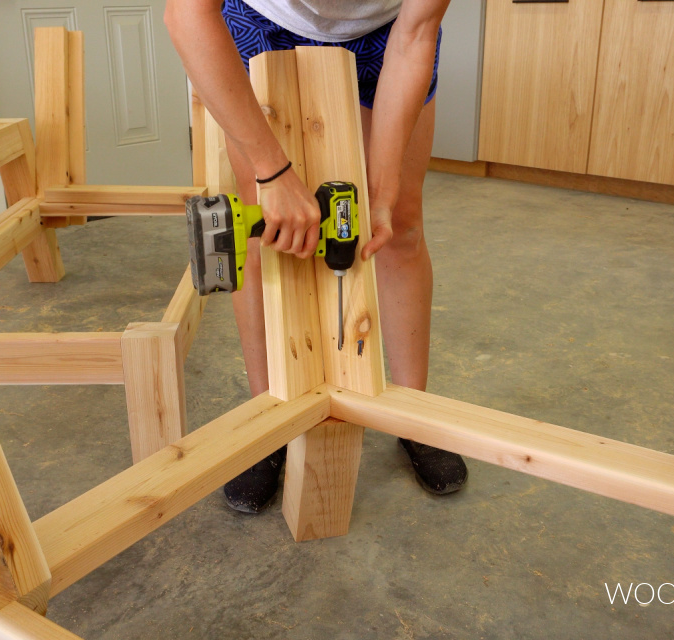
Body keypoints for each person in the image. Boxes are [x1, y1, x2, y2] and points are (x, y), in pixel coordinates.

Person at [165, 0, 467, 513]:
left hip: (388, 34)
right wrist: (272, 172)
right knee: (263, 228)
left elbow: (416, 34)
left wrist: (382, 193)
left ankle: (414, 414)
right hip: (264, 22)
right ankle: (268, 420)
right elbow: (185, 13)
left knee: (400, 226)